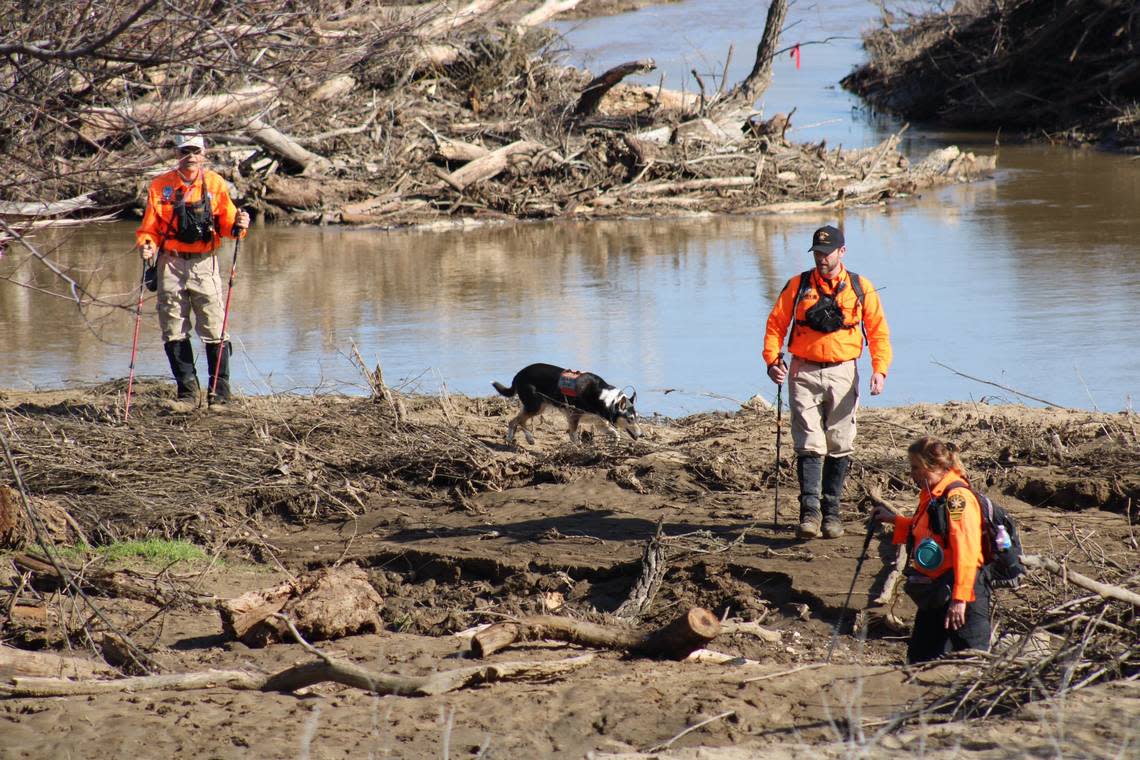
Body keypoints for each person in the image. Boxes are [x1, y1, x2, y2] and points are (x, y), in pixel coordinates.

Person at [763, 225, 892, 539]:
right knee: (809, 442)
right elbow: (775, 326)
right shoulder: (797, 286)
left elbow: (878, 333)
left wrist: (880, 369)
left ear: (842, 252)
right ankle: (809, 514)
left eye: (827, 253)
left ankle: (831, 515)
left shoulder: (861, 287)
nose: (821, 259)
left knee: (839, 442)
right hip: (802, 372)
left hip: (843, 372)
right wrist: (772, 361)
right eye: (817, 253)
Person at [136, 128, 249, 408]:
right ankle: (187, 394)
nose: (190, 157)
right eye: (184, 151)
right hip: (169, 263)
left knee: (214, 326)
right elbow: (148, 229)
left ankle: (220, 393)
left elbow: (229, 226)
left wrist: (240, 226)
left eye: (195, 151)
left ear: (204, 154)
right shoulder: (159, 186)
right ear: (176, 154)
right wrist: (147, 245)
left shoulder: (216, 184)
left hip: (204, 263)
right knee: (173, 328)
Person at [872, 436, 991, 663]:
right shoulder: (932, 494)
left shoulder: (957, 498)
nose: (912, 473)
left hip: (964, 588)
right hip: (936, 587)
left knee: (971, 658)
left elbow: (966, 548)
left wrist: (960, 599)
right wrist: (894, 521)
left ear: (934, 466)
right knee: (921, 658)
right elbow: (928, 530)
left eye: (916, 468)